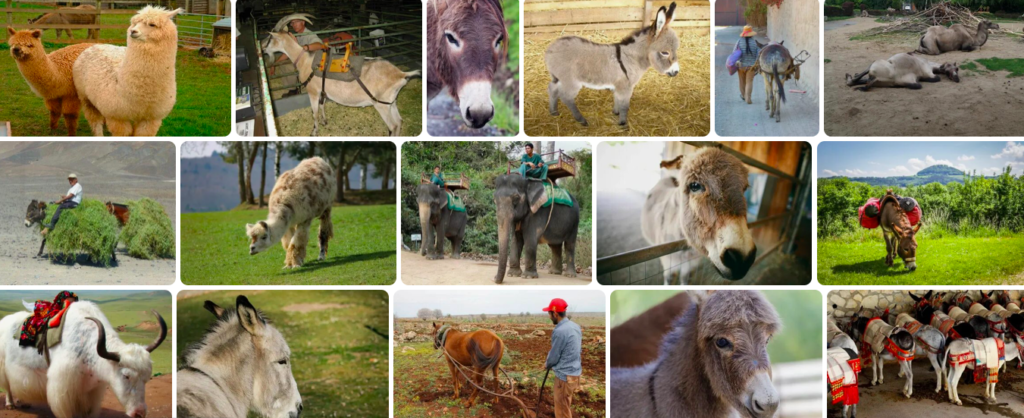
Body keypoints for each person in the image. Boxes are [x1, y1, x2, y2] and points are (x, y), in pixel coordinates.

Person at [269, 16, 328, 96]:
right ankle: (294, 88)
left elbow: (320, 45)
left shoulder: (309, 34)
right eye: (292, 23)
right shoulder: (296, 35)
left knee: (288, 67)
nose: (294, 25)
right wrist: (275, 63)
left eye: (296, 22)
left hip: (313, 63)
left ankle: (294, 90)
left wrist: (303, 48)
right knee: (282, 63)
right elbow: (288, 52)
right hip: (304, 61)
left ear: (303, 22)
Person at [542, 298, 582, 418]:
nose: (549, 317)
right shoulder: (575, 326)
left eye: (549, 314)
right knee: (566, 403)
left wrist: (547, 364)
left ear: (555, 314)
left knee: (562, 411)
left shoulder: (559, 331)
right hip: (574, 374)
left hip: (564, 378)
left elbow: (554, 356)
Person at [726, 26, 761, 104]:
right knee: (749, 82)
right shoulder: (754, 42)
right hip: (751, 66)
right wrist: (756, 64)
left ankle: (744, 96)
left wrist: (737, 61)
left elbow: (734, 52)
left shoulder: (739, 41)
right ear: (751, 34)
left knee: (742, 81)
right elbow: (758, 53)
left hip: (741, 65)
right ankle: (748, 98)